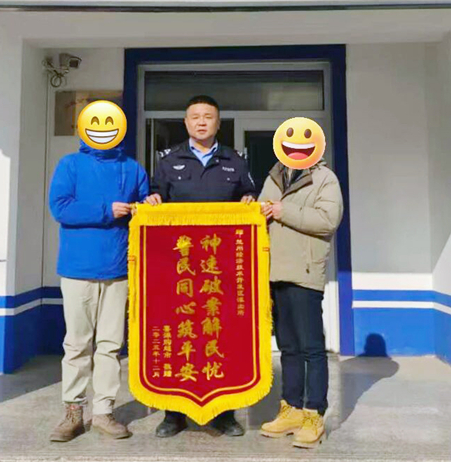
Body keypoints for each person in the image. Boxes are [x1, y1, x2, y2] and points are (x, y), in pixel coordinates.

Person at [145, 94, 257, 437]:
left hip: (220, 271)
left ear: (218, 123)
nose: (201, 122)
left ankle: (224, 413)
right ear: (186, 122)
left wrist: (249, 201)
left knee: (222, 336)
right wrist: (153, 201)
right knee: (182, 336)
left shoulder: (235, 161)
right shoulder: (168, 161)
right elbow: (155, 196)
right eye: (195, 116)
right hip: (179, 270)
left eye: (208, 116)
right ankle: (173, 414)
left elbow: (249, 197)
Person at [48, 137, 149, 442]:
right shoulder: (70, 165)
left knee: (110, 345)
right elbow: (60, 208)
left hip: (118, 270)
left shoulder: (132, 168)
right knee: (77, 344)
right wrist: (106, 210)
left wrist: (148, 205)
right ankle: (73, 412)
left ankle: (104, 411)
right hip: (77, 270)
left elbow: (144, 208)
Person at [258, 158, 343, 448]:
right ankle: (291, 409)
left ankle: (314, 414)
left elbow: (328, 220)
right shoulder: (275, 175)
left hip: (305, 273)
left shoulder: (324, 178)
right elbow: (262, 209)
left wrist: (283, 210)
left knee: (311, 348)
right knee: (288, 347)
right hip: (275, 272)